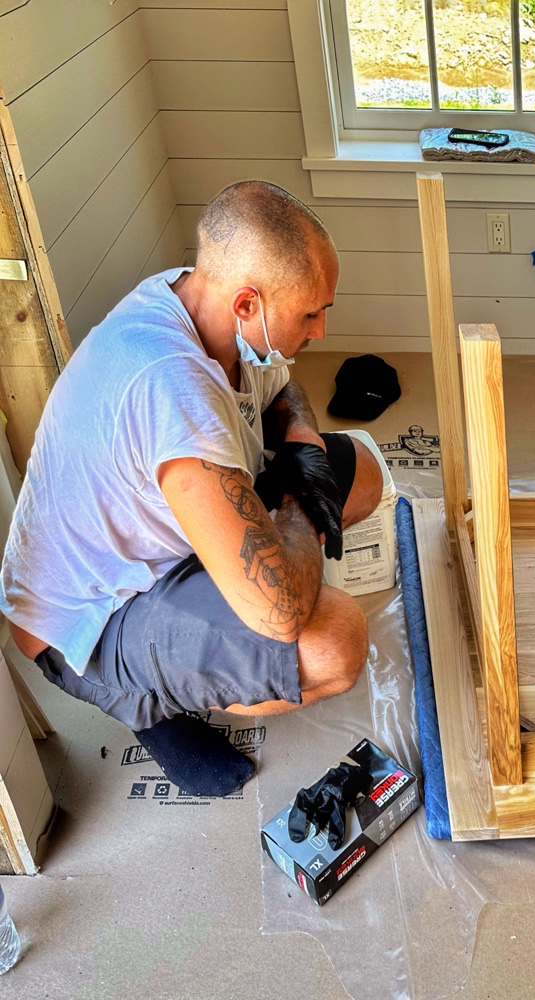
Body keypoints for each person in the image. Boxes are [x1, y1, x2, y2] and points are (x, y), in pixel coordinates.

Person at [0, 180, 383, 797]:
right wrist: (298, 504)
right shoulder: (172, 390)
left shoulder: (201, 296)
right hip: (94, 617)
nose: (320, 331)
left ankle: (209, 617)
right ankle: (143, 703)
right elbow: (280, 611)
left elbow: (283, 389)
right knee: (336, 641)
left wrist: (305, 448)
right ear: (248, 304)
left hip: (159, 532)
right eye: (310, 313)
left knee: (358, 468)